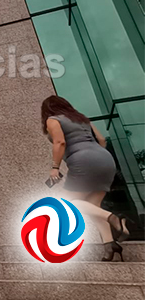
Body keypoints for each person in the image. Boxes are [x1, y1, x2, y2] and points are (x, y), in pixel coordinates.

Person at [41, 95, 128, 261]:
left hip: (83, 160)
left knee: (67, 204)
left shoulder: (52, 120)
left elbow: (60, 142)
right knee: (93, 207)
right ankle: (110, 245)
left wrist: (55, 168)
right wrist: (94, 154)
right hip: (105, 159)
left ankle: (113, 217)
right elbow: (101, 140)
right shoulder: (82, 119)